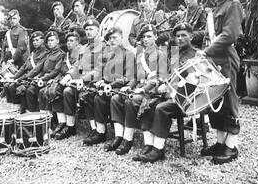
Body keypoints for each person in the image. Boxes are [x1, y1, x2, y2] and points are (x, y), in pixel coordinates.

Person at [135, 22, 197, 163]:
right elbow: (166, 74)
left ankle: (158, 149)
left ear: (191, 37)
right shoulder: (173, 53)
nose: (180, 39)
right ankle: (149, 144)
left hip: (187, 97)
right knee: (148, 102)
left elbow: (195, 82)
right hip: (171, 94)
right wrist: (163, 83)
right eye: (177, 36)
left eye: (184, 35)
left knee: (161, 108)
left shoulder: (196, 55)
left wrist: (170, 88)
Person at [198, 0, 243, 164]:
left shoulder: (233, 5)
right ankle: (219, 143)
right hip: (215, 60)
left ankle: (231, 147)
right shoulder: (215, 9)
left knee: (230, 101)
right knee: (216, 100)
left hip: (226, 58)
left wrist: (206, 51)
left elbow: (229, 36)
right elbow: (210, 34)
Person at [110, 24, 167, 155]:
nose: (145, 39)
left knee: (132, 101)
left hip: (154, 91)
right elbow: (135, 77)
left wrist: (144, 89)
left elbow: (160, 77)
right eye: (143, 37)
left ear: (156, 37)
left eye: (149, 36)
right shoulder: (140, 54)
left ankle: (129, 139)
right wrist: (129, 86)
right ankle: (120, 135)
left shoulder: (161, 54)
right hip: (138, 88)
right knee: (116, 98)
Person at [83, 26, 135, 146]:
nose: (111, 40)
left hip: (123, 87)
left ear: (122, 38)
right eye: (110, 38)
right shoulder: (108, 55)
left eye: (114, 37)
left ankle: (119, 135)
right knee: (91, 96)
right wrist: (101, 81)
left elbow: (128, 77)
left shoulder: (129, 54)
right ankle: (100, 132)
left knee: (103, 97)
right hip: (110, 86)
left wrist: (110, 84)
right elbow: (103, 73)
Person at [61, 17, 107, 140]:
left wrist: (82, 79)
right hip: (82, 82)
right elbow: (77, 65)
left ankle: (98, 130)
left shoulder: (103, 47)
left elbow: (99, 70)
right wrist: (69, 75)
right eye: (86, 29)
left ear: (98, 30)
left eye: (91, 29)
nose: (88, 32)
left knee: (87, 95)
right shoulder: (84, 48)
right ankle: (70, 126)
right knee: (67, 91)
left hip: (96, 82)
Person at [38, 30, 82, 140]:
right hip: (64, 80)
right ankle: (59, 123)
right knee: (47, 90)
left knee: (61, 91)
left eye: (72, 41)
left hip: (77, 81)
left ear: (77, 42)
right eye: (67, 41)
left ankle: (69, 125)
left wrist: (68, 78)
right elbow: (61, 71)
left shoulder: (81, 52)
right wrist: (55, 80)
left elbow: (78, 68)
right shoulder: (67, 55)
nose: (69, 43)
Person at [2, 31, 48, 112]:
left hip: (37, 78)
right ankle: (18, 109)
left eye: (37, 40)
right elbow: (24, 67)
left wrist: (22, 78)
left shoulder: (45, 53)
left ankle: (31, 111)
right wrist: (14, 77)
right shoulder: (33, 53)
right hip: (29, 77)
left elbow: (36, 70)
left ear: (43, 40)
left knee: (26, 89)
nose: (35, 42)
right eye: (33, 40)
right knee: (9, 85)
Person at [23, 31, 65, 112]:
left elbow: (56, 71)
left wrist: (42, 78)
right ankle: (33, 112)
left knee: (42, 92)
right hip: (44, 78)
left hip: (52, 79)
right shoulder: (48, 54)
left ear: (57, 41)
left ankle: (48, 116)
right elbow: (42, 70)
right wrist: (37, 77)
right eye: (48, 40)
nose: (49, 42)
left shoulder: (61, 54)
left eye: (52, 40)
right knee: (29, 89)